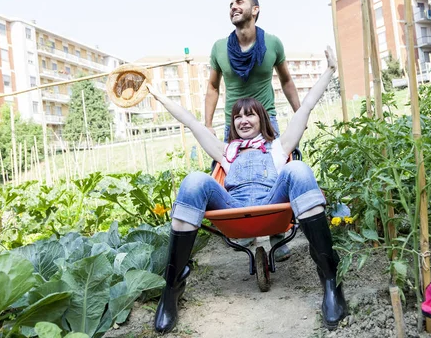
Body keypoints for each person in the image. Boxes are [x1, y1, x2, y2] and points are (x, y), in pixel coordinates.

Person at [147, 46, 347, 334]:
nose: (243, 120)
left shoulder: (278, 147)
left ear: (261, 119)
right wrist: (158, 96)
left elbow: (305, 108)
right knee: (194, 180)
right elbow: (190, 121)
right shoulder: (225, 151)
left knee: (298, 169)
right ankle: (171, 287)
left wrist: (329, 71)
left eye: (250, 115)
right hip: (233, 209)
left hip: (272, 203)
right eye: (238, 116)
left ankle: (330, 279)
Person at [205, 0, 301, 260]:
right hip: (234, 124)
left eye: (239, 2)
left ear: (255, 10)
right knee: (235, 177)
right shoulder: (219, 48)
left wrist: (299, 113)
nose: (233, 7)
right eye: (230, 4)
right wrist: (208, 123)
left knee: (274, 172)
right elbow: (213, 87)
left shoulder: (272, 43)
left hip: (266, 120)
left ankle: (278, 234)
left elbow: (286, 81)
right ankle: (244, 226)